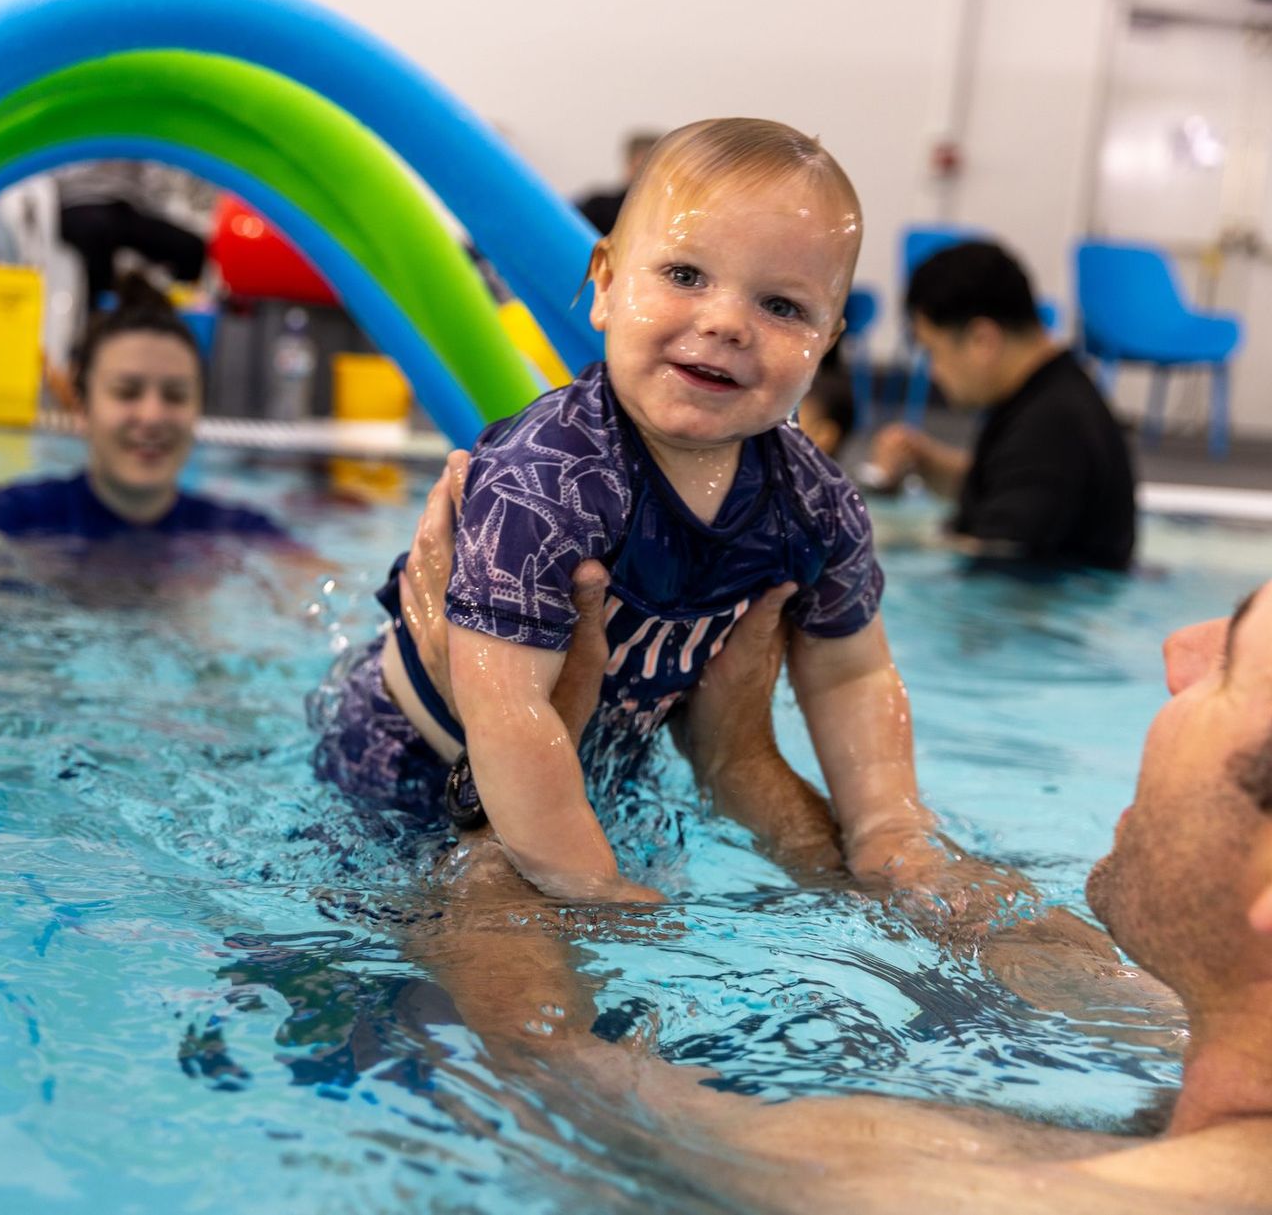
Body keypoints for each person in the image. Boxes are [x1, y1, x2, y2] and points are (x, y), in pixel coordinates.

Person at [405, 577, 1272, 1212]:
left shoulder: (952, 1190)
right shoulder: (1214, 1029)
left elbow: (551, 1070)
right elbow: (1028, 946)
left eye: (1230, 662)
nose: (1178, 652)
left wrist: (499, 781)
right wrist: (747, 768)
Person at [311, 118, 939, 904]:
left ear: (826, 341)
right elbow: (508, 716)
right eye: (685, 274)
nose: (726, 322)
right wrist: (595, 887)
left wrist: (888, 824)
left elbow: (855, 673)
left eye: (782, 305)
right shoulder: (545, 480)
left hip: (585, 774)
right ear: (605, 283)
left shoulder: (813, 502)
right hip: (409, 769)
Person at [0, 274, 285, 549]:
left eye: (176, 396)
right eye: (127, 393)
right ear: (81, 406)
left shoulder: (242, 535)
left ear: (199, 409)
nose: (152, 416)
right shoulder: (11, 519)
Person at [864, 241, 1137, 571]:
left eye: (933, 351)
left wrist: (891, 544)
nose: (934, 371)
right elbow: (1007, 487)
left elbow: (997, 552)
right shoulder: (1053, 395)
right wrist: (926, 462)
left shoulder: (1052, 426)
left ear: (982, 340)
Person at [56, 161, 213, 311]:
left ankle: (183, 313)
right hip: (79, 200)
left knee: (191, 247)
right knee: (97, 233)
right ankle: (97, 313)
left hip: (126, 204)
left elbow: (154, 181)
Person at [575, 130, 663, 235]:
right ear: (629, 165)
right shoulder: (599, 207)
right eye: (640, 168)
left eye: (655, 169)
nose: (647, 177)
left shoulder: (670, 214)